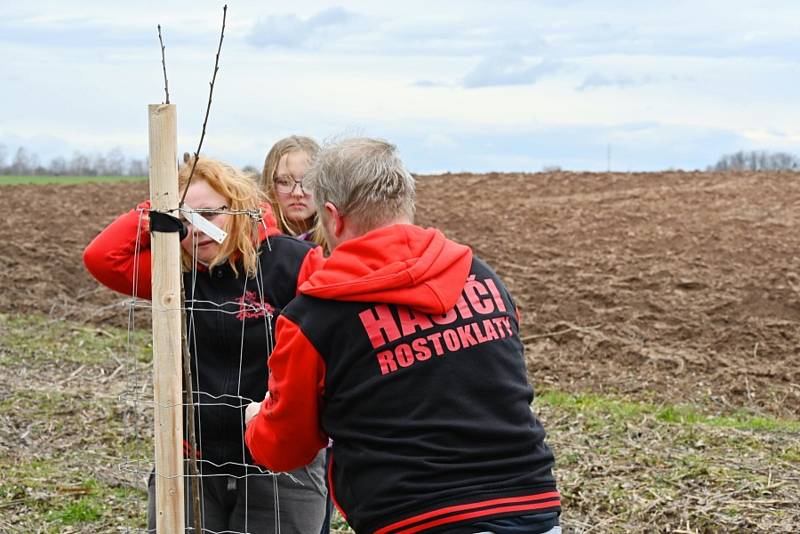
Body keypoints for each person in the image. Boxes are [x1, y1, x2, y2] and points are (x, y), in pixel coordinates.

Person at [245, 138, 561, 534]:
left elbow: (285, 446)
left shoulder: (315, 316)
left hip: (415, 515)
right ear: (404, 202)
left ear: (332, 216)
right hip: (532, 504)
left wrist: (257, 420)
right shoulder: (480, 276)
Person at [83, 156, 327, 533]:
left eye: (210, 214)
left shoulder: (293, 262)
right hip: (192, 457)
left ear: (241, 208)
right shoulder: (173, 273)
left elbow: (333, 341)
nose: (196, 229)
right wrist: (154, 213)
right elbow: (102, 258)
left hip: (279, 460)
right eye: (185, 219)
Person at [260, 135, 326, 247]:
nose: (297, 193)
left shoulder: (340, 243)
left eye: (308, 181)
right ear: (269, 185)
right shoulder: (251, 244)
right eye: (285, 182)